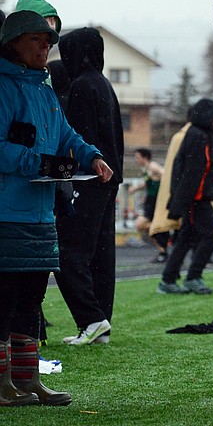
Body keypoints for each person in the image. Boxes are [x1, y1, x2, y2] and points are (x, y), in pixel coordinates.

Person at [0, 11, 111, 407]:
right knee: (5, 298)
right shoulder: (3, 88)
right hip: (7, 213)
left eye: (49, 42)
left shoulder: (44, 87)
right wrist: (37, 163)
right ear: (13, 43)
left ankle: (27, 380)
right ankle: (3, 384)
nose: (47, 47)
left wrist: (91, 156)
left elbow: (66, 134)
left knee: (31, 298)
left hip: (41, 214)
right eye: (38, 40)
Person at [54, 27, 125, 345]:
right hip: (108, 179)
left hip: (88, 179)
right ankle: (100, 322)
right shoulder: (104, 85)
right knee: (101, 254)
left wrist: (61, 171)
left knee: (66, 252)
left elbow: (78, 139)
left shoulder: (82, 87)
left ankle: (92, 318)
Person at [158, 98, 213, 296]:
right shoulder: (199, 135)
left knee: (186, 238)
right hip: (196, 197)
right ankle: (193, 276)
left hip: (195, 196)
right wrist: (185, 199)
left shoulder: (200, 134)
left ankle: (168, 279)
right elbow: (193, 171)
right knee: (211, 234)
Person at [131, 148, 168, 262]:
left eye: (138, 157)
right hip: (150, 201)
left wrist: (165, 194)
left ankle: (165, 236)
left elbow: (165, 175)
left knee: (140, 225)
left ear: (145, 157)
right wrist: (137, 189)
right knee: (143, 226)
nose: (136, 160)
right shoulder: (146, 169)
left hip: (156, 202)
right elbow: (149, 183)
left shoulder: (153, 166)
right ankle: (163, 250)